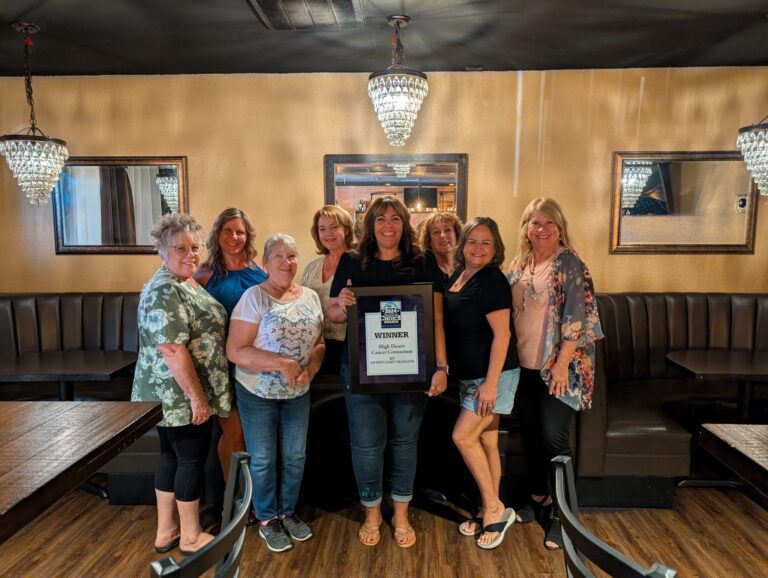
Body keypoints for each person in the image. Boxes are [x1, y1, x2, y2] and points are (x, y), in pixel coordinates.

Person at [327, 195, 449, 549]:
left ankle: (401, 513)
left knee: (405, 443)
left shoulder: (422, 262)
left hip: (412, 370)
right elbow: (334, 313)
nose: (388, 225)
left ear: (405, 224)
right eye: (380, 219)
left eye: (395, 218)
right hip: (362, 369)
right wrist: (342, 304)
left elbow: (436, 317)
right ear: (370, 225)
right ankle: (372, 513)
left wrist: (441, 367)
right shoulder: (352, 261)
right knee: (366, 445)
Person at [131, 213, 231, 555]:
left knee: (171, 457)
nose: (191, 254)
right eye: (181, 248)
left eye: (195, 247)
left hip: (169, 392)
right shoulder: (165, 289)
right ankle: (190, 536)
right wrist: (197, 399)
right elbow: (173, 350)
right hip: (179, 394)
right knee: (190, 459)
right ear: (163, 250)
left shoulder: (179, 280)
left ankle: (166, 531)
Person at [507, 197, 603, 551]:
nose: (542, 229)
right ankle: (538, 499)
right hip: (523, 366)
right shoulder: (520, 263)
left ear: (560, 227)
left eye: (549, 222)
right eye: (535, 222)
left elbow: (577, 318)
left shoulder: (569, 263)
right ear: (526, 228)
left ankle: (565, 516)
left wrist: (561, 365)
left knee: (554, 438)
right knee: (531, 435)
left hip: (558, 368)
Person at [227, 233, 325, 553]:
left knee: (296, 457)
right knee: (264, 459)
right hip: (257, 393)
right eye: (279, 256)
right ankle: (267, 518)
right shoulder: (253, 297)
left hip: (298, 392)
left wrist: (310, 369)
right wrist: (281, 363)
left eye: (292, 256)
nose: (286, 262)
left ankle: (288, 512)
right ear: (265, 262)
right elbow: (235, 350)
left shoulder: (310, 297)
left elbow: (319, 344)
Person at [446, 217, 519, 550]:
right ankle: (488, 505)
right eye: (472, 241)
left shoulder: (491, 279)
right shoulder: (460, 275)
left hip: (493, 376)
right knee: (487, 440)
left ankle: (493, 508)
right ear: (462, 245)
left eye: (486, 242)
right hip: (470, 375)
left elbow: (503, 335)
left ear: (495, 248)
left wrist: (490, 384)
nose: (478, 248)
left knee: (462, 436)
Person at [194, 208, 267, 487]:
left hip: (256, 361)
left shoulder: (260, 269)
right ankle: (234, 498)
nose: (234, 237)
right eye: (228, 231)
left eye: (240, 232)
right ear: (218, 234)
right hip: (221, 364)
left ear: (247, 236)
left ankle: (254, 496)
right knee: (234, 435)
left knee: (254, 436)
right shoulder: (203, 273)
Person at [299, 205, 356, 375]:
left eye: (334, 227)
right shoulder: (312, 268)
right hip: (313, 345)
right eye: (322, 229)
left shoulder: (358, 264)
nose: (328, 233)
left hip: (347, 346)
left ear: (346, 230)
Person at [419, 211, 463, 288]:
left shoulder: (467, 267)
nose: (442, 235)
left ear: (456, 235)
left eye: (447, 230)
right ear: (429, 240)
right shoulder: (422, 270)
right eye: (436, 232)